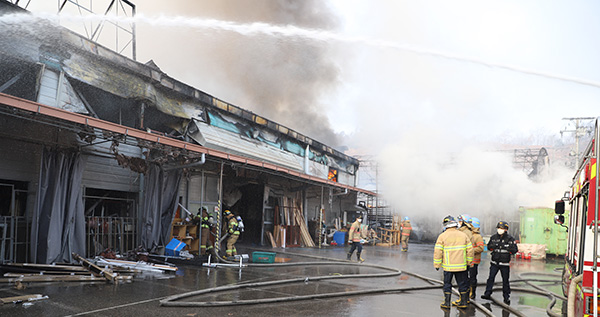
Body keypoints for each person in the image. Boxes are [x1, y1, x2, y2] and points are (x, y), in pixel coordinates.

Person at [434, 215, 474, 310]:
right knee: (462, 284)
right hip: (461, 266)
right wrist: (469, 262)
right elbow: (470, 250)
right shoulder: (463, 235)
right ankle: (464, 302)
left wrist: (437, 264)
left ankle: (447, 303)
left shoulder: (442, 236)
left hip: (448, 267)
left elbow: (438, 251)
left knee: (447, 284)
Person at [481, 221, 518, 304]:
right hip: (494, 263)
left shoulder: (510, 239)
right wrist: (493, 247)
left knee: (505, 281)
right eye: (499, 228)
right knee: (490, 278)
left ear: (506, 229)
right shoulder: (493, 237)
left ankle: (506, 297)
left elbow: (515, 250)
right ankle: (487, 293)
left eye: (501, 228)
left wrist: (508, 249)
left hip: (504, 264)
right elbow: (489, 247)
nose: (499, 230)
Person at [469, 217, 485, 299]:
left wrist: (470, 250)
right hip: (468, 261)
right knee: (466, 278)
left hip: (474, 262)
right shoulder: (469, 235)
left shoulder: (478, 237)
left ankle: (472, 293)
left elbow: (481, 248)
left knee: (472, 278)